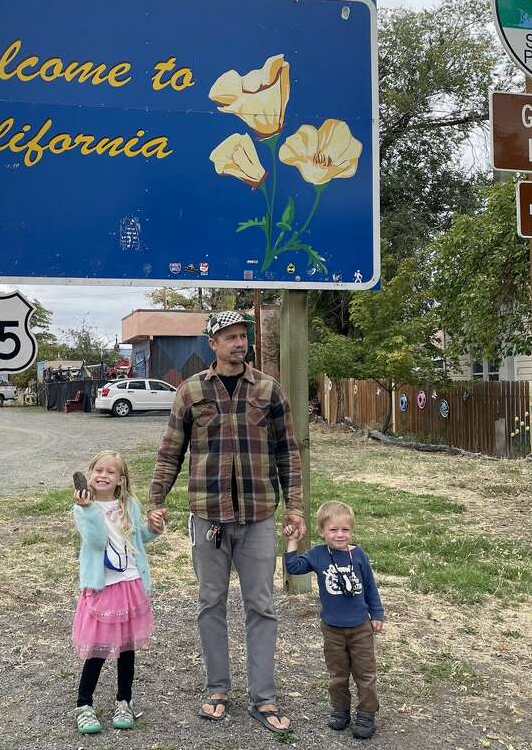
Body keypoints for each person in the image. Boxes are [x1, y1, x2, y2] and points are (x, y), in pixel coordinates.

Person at [147, 310, 303, 734]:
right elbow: (170, 452)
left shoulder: (269, 391)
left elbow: (288, 453)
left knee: (262, 606)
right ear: (212, 343)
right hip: (208, 518)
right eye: (230, 337)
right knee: (210, 604)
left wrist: (295, 507)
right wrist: (155, 500)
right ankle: (217, 689)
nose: (239, 343)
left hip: (257, 518)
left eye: (242, 336)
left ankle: (263, 697)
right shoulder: (190, 391)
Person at [70, 450, 160, 735]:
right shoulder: (84, 508)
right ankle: (84, 704)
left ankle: (125, 700)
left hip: (130, 583)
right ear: (90, 474)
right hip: (103, 586)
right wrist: (87, 510)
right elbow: (96, 542)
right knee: (97, 648)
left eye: (110, 472)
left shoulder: (129, 504)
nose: (103, 475)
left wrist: (153, 529)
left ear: (121, 480)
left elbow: (135, 537)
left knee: (127, 648)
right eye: (98, 470)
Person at [284, 500, 384, 740]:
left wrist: (377, 613)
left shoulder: (359, 555)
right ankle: (340, 711)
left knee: (365, 674)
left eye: (345, 530)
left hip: (360, 627)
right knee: (337, 674)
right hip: (332, 628)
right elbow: (294, 568)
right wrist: (292, 542)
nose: (340, 535)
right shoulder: (318, 555)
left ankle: (366, 713)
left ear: (351, 530)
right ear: (322, 531)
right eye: (333, 530)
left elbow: (370, 586)